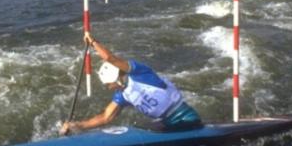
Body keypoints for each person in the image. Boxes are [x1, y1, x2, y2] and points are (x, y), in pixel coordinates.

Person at [59, 34, 202, 135]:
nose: (108, 87)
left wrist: (93, 42)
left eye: (109, 84)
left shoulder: (139, 73)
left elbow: (110, 58)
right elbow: (105, 117)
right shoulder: (122, 95)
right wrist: (77, 125)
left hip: (186, 119)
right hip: (168, 123)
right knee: (142, 128)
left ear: (116, 79)